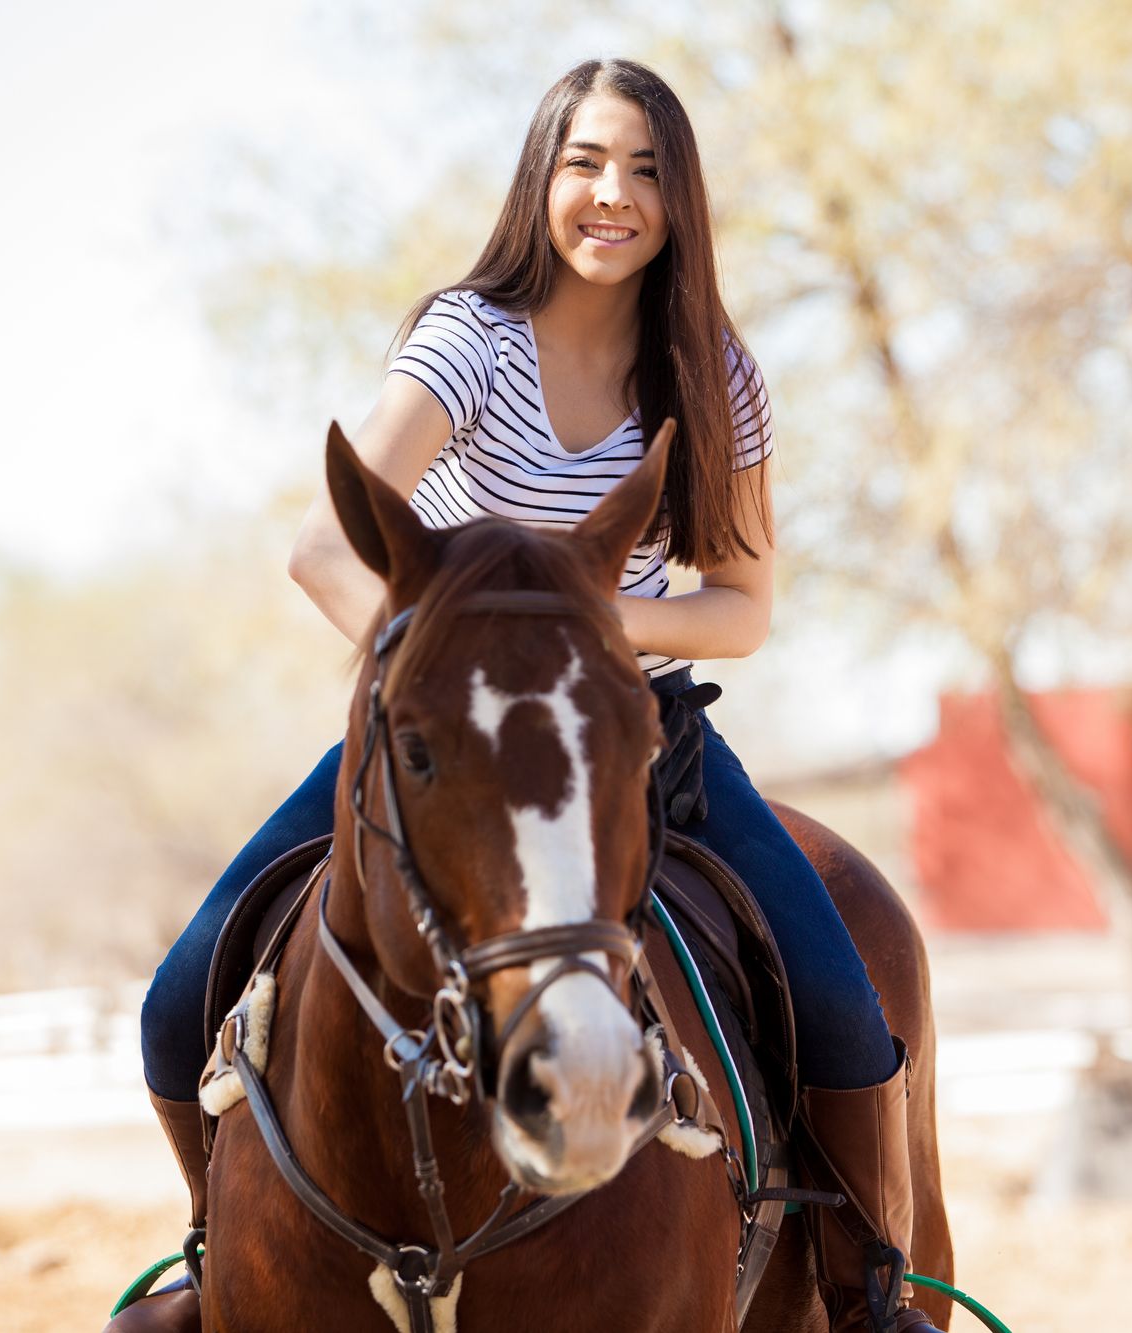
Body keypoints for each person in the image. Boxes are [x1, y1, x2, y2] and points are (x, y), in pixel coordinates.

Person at [123, 59, 941, 1333]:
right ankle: (208, 1256)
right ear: (540, 181)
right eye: (585, 164)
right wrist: (438, 674)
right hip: (437, 744)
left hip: (632, 739)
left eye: (646, 170)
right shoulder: (468, 339)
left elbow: (741, 607)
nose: (612, 195)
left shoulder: (713, 375)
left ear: (681, 199)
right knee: (181, 996)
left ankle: (868, 1295)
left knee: (842, 1001)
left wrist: (567, 633)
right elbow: (320, 548)